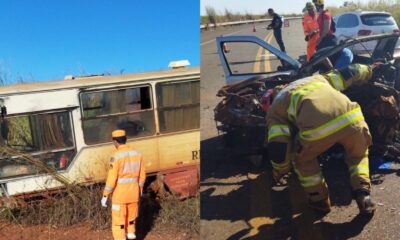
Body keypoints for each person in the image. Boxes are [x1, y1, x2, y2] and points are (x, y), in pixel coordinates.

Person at [266, 64, 377, 215]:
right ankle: (363, 195)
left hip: (318, 132)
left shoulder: (276, 107)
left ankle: (319, 201)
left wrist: (280, 169)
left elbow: (279, 145)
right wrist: (369, 70)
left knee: (302, 160)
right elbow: (349, 71)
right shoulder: (317, 79)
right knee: (358, 156)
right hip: (353, 119)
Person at [101, 129, 146, 240]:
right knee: (131, 219)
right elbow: (142, 175)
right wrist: (140, 189)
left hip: (120, 196)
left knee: (119, 223)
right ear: (125, 139)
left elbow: (112, 179)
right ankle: (131, 234)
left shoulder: (115, 157)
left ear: (115, 142)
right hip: (134, 194)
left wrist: (105, 195)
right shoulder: (138, 154)